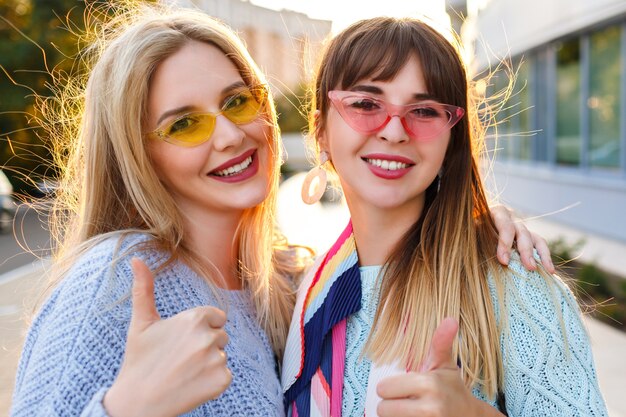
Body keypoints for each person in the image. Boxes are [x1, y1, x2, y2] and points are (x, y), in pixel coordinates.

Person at [10, 4, 552, 417]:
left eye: (236, 101)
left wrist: (473, 220)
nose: (229, 135)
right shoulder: (115, 280)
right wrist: (127, 409)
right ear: (136, 151)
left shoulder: (290, 289)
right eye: (183, 123)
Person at [282, 17, 608, 417]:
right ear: (320, 132)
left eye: (424, 110)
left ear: (451, 140)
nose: (394, 131)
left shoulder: (511, 284)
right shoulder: (305, 292)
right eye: (366, 104)